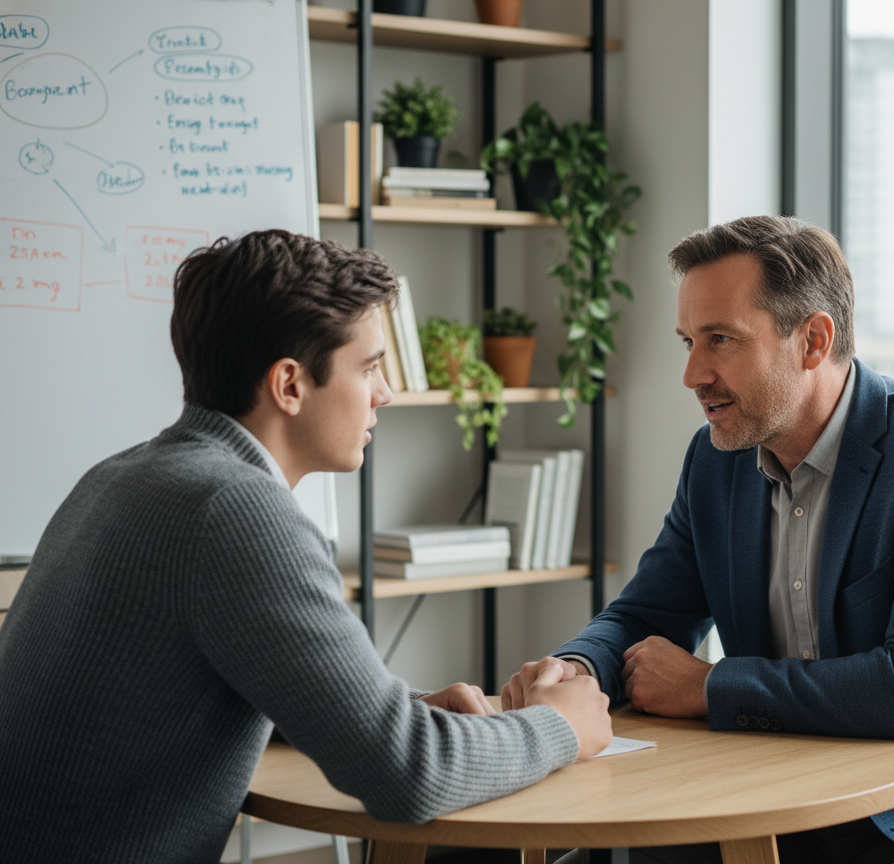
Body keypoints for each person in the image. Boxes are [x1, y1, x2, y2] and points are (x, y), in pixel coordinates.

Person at [0, 230, 611, 863]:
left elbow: (242, 675)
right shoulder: (234, 510)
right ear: (289, 385)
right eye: (369, 367)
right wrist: (561, 725)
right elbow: (406, 776)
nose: (386, 394)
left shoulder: (123, 477)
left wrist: (399, 708)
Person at [503, 216, 894, 864]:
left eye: (720, 340)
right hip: (784, 796)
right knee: (612, 851)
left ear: (813, 340)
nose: (692, 374)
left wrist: (709, 686)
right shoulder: (715, 460)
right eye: (688, 342)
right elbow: (648, 614)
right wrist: (577, 670)